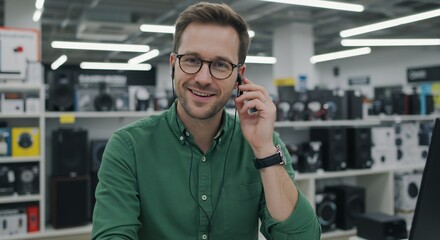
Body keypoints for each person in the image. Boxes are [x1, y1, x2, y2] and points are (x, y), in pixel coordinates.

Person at [91, 2, 321, 240]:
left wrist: (264, 151)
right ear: (173, 65)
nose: (203, 78)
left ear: (239, 77)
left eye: (220, 65)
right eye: (191, 60)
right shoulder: (129, 147)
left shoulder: (264, 145)